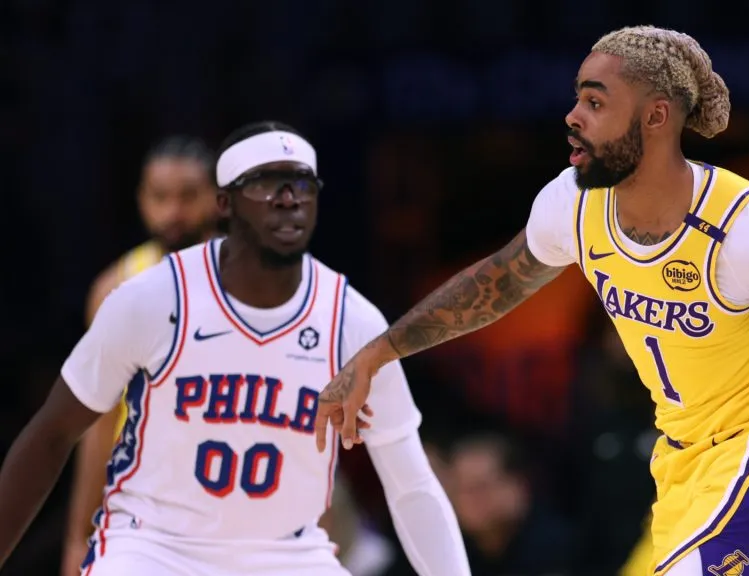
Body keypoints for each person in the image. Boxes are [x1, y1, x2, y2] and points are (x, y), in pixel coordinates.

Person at [316, 26, 749, 576]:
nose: (573, 116)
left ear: (656, 117)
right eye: (578, 98)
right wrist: (380, 351)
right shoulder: (574, 206)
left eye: (596, 102)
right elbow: (496, 282)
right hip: (683, 456)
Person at [0, 121, 470, 576]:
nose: (286, 200)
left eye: (300, 186)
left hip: (286, 552)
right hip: (155, 546)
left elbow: (411, 484)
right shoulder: (145, 296)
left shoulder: (352, 320)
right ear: (225, 203)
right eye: (266, 185)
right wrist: (76, 537)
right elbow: (57, 432)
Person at [63, 135, 221, 576]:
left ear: (218, 198)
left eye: (188, 196)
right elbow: (96, 420)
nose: (173, 212)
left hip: (228, 504)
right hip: (141, 508)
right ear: (141, 200)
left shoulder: (252, 286)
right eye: (160, 197)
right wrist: (79, 537)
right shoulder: (115, 288)